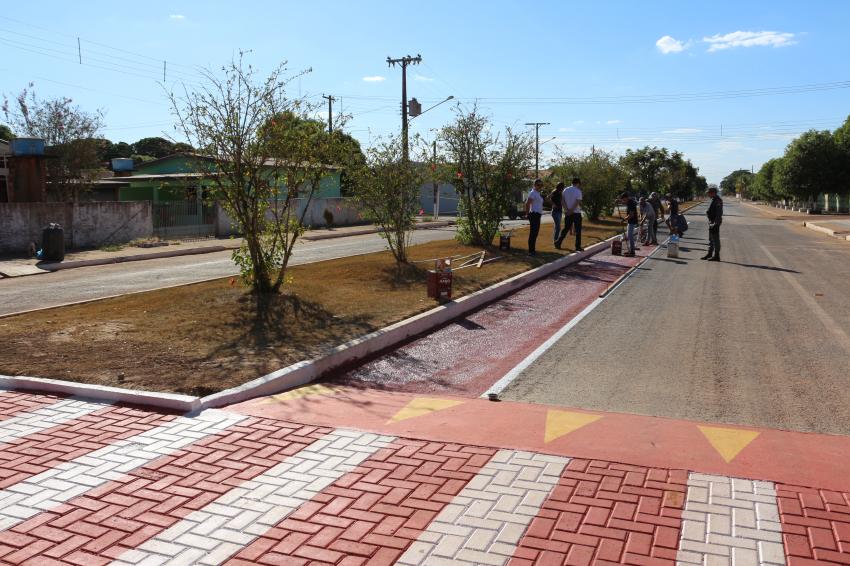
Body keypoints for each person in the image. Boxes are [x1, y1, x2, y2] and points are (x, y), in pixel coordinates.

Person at [555, 177, 583, 251]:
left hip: (567, 212)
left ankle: (558, 242)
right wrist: (571, 210)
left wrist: (566, 210)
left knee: (566, 228)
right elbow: (577, 202)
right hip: (576, 213)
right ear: (578, 183)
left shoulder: (565, 190)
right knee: (578, 230)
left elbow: (562, 201)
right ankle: (577, 246)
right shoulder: (578, 191)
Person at [702, 187, 723, 261]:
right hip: (711, 222)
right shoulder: (713, 200)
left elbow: (719, 213)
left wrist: (715, 223)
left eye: (709, 193)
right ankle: (709, 253)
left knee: (715, 240)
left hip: (715, 222)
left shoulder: (718, 200)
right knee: (711, 239)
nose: (708, 194)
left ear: (713, 193)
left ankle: (717, 256)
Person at [525, 179, 544, 256]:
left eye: (541, 185)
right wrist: (527, 214)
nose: (540, 186)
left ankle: (533, 250)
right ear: (534, 185)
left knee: (535, 233)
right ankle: (531, 251)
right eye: (538, 185)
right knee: (533, 233)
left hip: (538, 215)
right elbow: (527, 203)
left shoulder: (538, 193)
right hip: (534, 215)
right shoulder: (533, 193)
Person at [618, 191, 639, 256]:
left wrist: (623, 219)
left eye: (624, 199)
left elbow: (631, 215)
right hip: (631, 221)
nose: (623, 201)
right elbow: (623, 202)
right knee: (629, 235)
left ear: (626, 198)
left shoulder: (631, 204)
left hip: (632, 221)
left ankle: (632, 251)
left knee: (630, 236)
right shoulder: (629, 202)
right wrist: (618, 201)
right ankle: (630, 250)